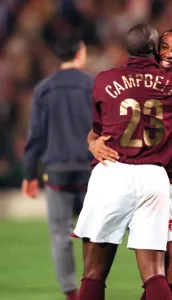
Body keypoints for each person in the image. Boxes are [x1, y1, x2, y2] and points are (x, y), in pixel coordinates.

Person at [72, 24, 172, 300]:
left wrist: (92, 143)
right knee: (155, 272)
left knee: (94, 271)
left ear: (126, 49)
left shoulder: (104, 80)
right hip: (154, 177)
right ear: (156, 50)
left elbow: (100, 131)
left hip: (112, 170)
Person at [22, 36, 93, 300]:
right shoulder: (93, 85)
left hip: (57, 172)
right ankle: (92, 288)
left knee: (59, 235)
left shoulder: (44, 88)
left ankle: (71, 294)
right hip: (90, 171)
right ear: (79, 53)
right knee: (93, 234)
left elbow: (36, 135)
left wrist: (30, 174)